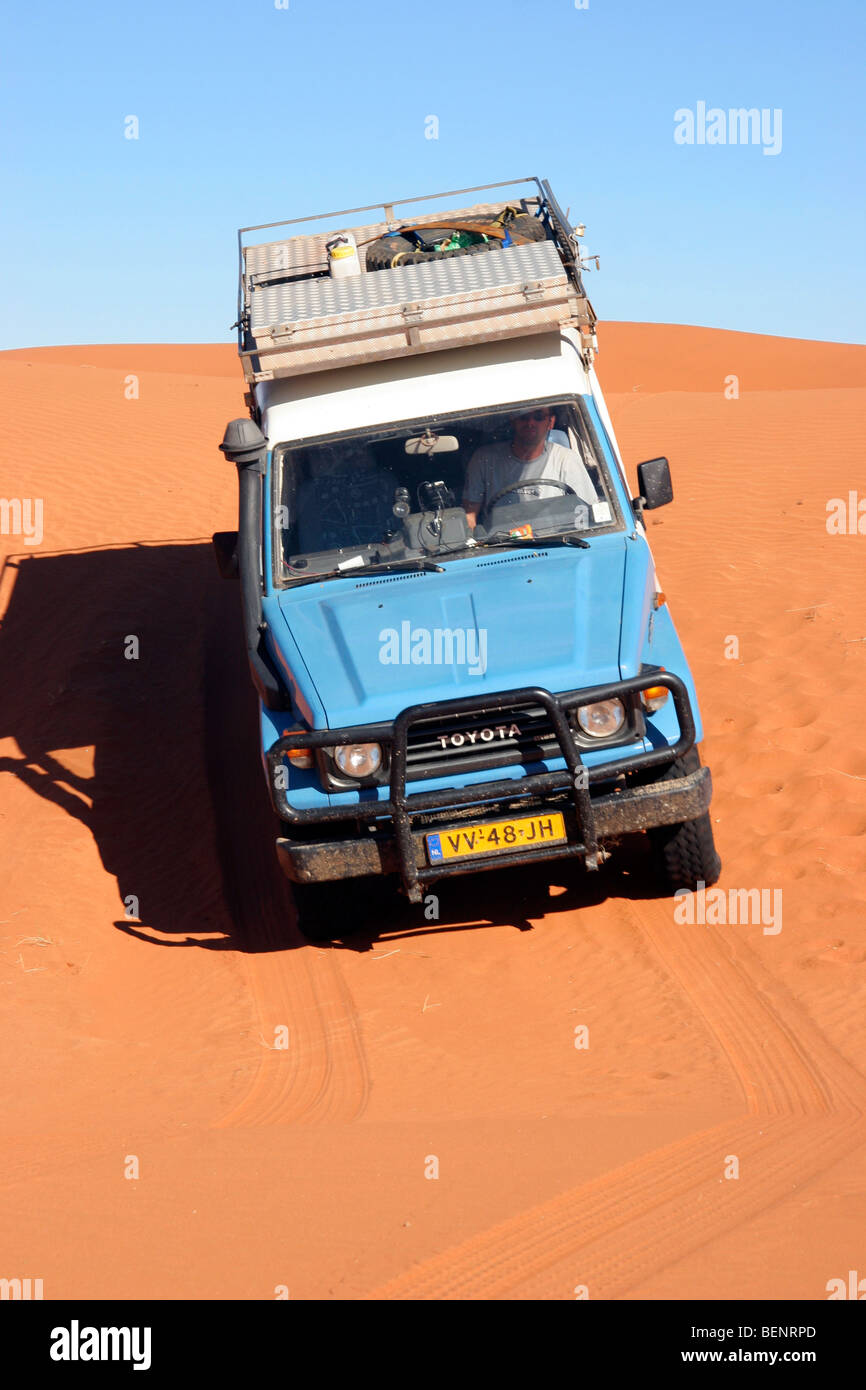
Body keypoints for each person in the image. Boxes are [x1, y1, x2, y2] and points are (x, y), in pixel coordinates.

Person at [462, 407, 598, 530]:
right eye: (523, 416)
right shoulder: (484, 459)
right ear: (512, 420)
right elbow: (469, 517)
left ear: (551, 422)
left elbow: (587, 512)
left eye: (538, 417)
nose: (530, 423)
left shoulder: (567, 459)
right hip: (501, 545)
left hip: (556, 543)